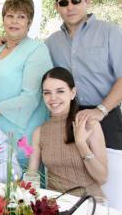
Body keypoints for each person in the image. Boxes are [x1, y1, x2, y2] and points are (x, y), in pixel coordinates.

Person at [44, 0, 122, 151]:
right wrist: (8, 41)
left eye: (76, 0)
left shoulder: (110, 32)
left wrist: (101, 110)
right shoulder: (51, 43)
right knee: (73, 174)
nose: (70, 7)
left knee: (112, 173)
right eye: (64, 3)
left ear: (88, 0)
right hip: (68, 118)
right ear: (56, 6)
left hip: (106, 116)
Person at [0, 0, 53, 169]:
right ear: (3, 20)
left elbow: (31, 97)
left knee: (21, 190)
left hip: (22, 131)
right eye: (10, 16)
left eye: (21, 17)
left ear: (29, 23)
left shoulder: (37, 50)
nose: (14, 21)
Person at [28, 67, 107, 197]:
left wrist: (81, 143)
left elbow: (102, 178)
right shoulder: (39, 132)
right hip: (54, 205)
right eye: (47, 92)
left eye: (60, 91)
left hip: (89, 202)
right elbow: (31, 175)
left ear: (72, 93)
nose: (53, 98)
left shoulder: (89, 124)